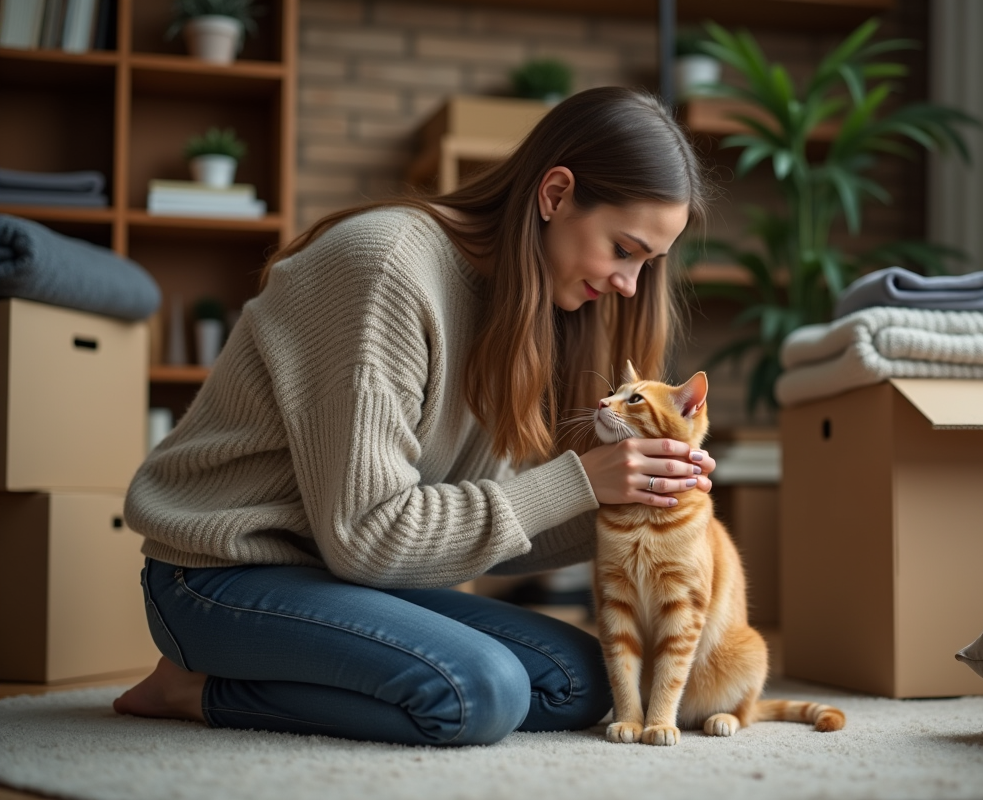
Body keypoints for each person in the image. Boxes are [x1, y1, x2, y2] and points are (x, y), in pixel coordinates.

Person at [112, 86, 718, 747]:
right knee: (481, 691)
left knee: (583, 682)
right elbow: (368, 537)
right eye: (623, 250)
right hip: (219, 576)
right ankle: (193, 686)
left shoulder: (531, 311)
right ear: (555, 195)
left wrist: (640, 497)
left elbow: (474, 526)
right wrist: (581, 481)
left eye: (647, 264)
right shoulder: (386, 268)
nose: (630, 284)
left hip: (344, 578)